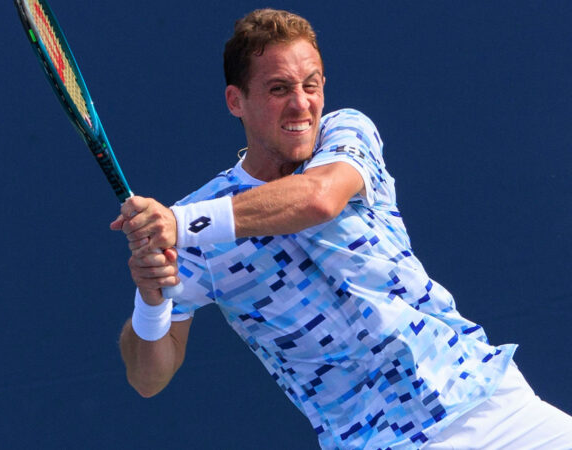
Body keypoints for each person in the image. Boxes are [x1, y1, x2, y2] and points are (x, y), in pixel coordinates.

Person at [110, 8, 572, 449]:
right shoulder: (190, 240)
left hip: (492, 405)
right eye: (278, 89)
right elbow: (148, 379)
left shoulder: (345, 132)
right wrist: (151, 297)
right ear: (237, 101)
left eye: (311, 85)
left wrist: (181, 223)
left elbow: (318, 198)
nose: (301, 104)